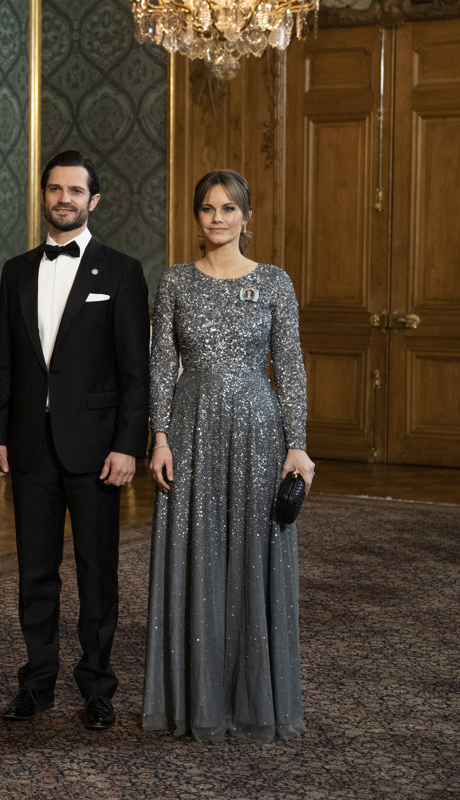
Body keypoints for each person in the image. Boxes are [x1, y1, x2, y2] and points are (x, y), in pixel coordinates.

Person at [143, 169, 313, 743]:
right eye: (207, 208)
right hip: (188, 433)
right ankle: (194, 701)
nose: (217, 218)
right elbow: (162, 366)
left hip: (259, 435)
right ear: (197, 217)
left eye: (228, 208)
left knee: (252, 557)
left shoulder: (274, 283)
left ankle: (251, 698)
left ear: (246, 215)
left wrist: (298, 444)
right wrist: (158, 437)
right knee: (195, 553)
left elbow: (289, 365)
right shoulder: (174, 282)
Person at [0, 150, 150, 733]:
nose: (63, 199)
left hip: (99, 448)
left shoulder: (123, 272)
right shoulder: (15, 270)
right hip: (30, 445)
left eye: (75, 191)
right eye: (54, 189)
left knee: (97, 572)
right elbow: (2, 363)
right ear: (45, 196)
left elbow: (136, 371)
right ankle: (37, 684)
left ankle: (98, 687)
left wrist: (129, 445)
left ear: (93, 200)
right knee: (35, 571)